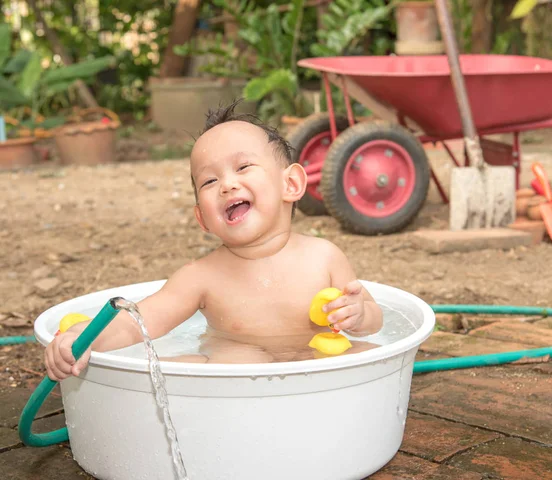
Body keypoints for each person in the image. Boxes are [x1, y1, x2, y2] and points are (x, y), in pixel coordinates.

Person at [44, 100, 383, 381]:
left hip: (317, 365)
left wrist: (358, 314)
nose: (226, 185)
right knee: (208, 365)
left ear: (291, 184)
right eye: (208, 181)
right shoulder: (200, 277)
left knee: (372, 356)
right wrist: (82, 338)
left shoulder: (324, 257)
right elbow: (137, 324)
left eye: (243, 166)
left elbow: (373, 319)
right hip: (234, 373)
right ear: (202, 218)